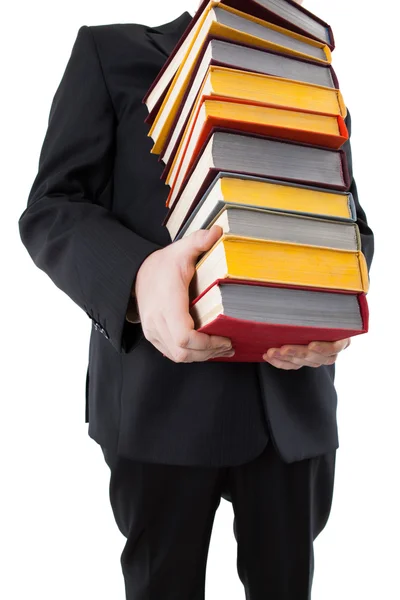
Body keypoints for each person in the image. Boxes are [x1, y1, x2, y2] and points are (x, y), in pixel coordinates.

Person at [18, 0, 374, 598]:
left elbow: (349, 222)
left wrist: (332, 292)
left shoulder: (309, 72)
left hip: (292, 407)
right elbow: (53, 207)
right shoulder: (111, 53)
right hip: (159, 404)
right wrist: (138, 273)